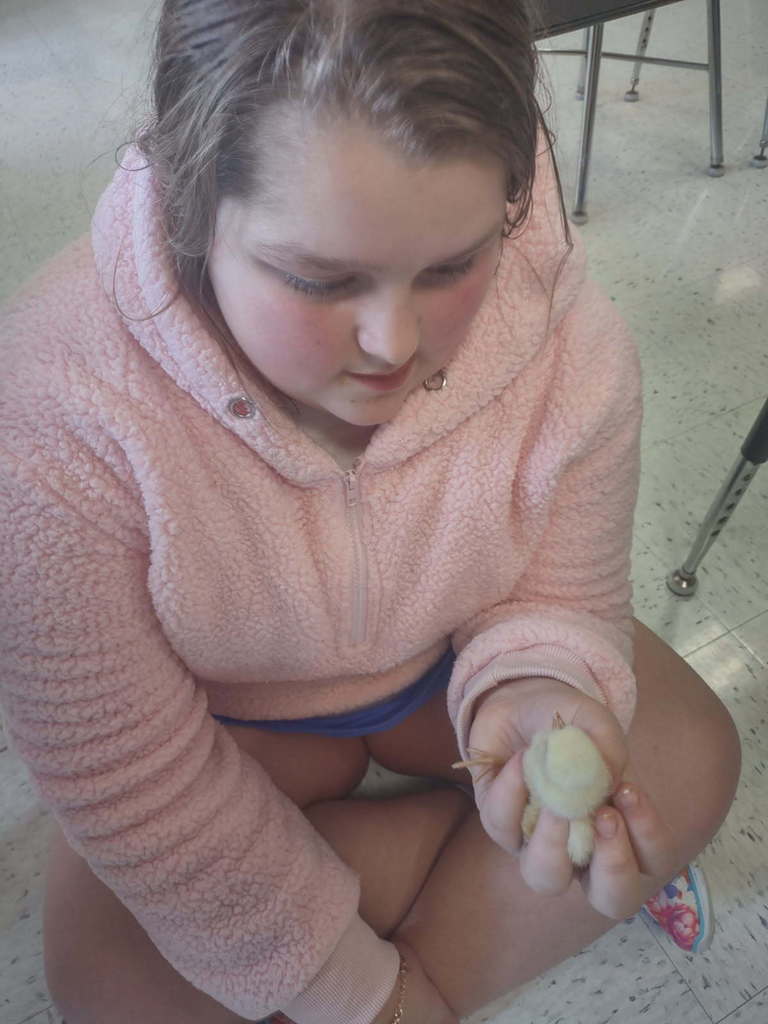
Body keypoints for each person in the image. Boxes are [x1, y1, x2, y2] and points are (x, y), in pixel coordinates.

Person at [0, 1, 741, 1022]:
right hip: (226, 722)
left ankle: (378, 897)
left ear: (513, 199)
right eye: (318, 277)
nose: (395, 344)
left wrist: (537, 698)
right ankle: (435, 894)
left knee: (690, 756)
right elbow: (134, 778)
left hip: (441, 672)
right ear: (188, 200)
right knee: (111, 984)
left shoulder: (571, 340)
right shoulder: (52, 406)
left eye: (452, 265)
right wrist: (364, 992)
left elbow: (564, 595)